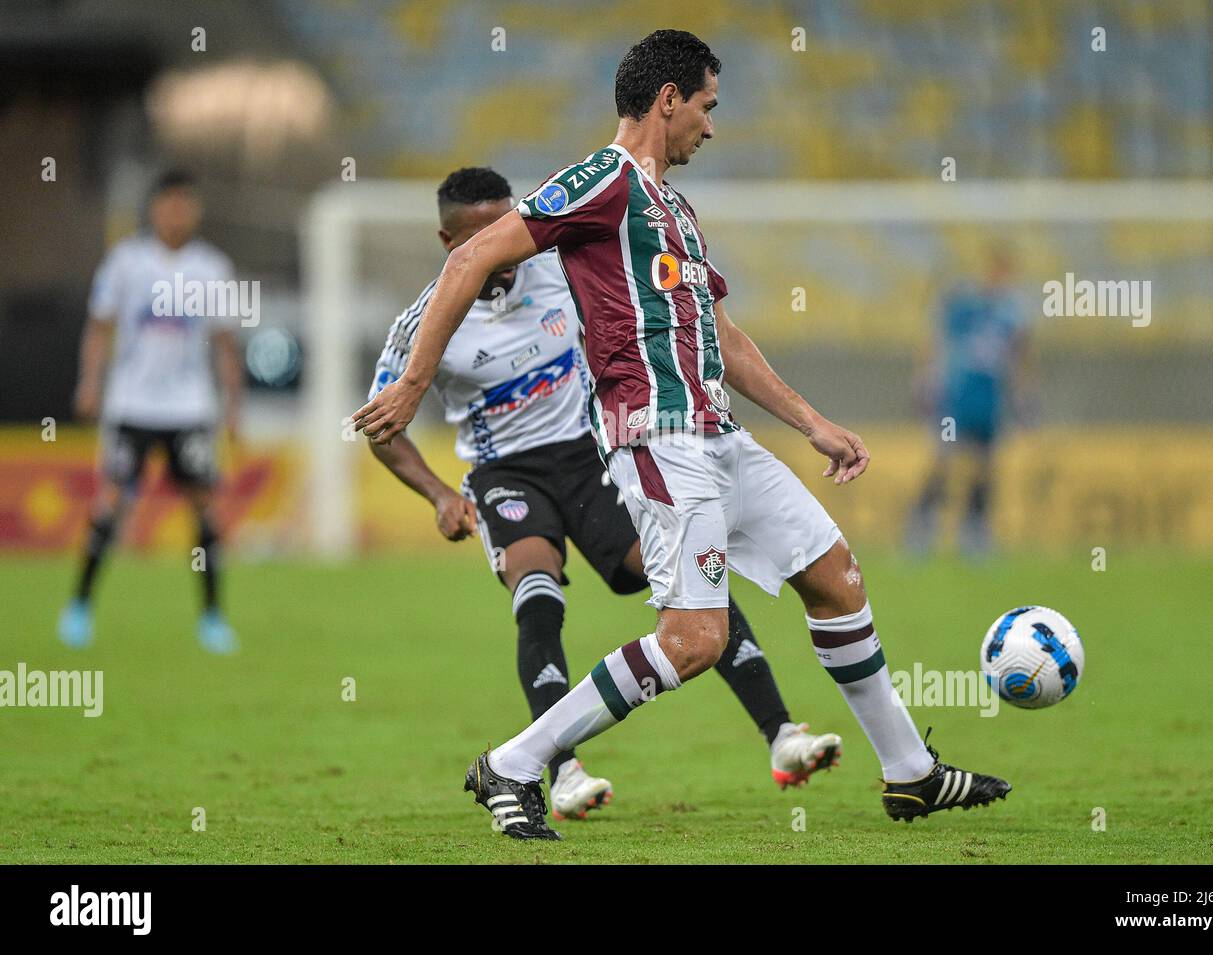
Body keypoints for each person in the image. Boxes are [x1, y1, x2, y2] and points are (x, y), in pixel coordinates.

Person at [353, 30, 1010, 840]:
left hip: (720, 437)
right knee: (696, 637)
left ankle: (911, 772)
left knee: (836, 579)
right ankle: (515, 764)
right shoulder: (602, 181)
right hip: (657, 437)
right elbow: (469, 261)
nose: (711, 125)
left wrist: (812, 422)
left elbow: (725, 341)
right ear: (669, 100)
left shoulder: (675, 210)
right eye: (707, 106)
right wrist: (416, 380)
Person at [367, 167, 843, 820]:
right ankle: (558, 770)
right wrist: (439, 495)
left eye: (506, 227)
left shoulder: (557, 272)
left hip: (594, 460)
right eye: (478, 237)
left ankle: (782, 735)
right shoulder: (423, 322)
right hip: (507, 475)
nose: (500, 250)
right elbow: (381, 427)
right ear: (447, 240)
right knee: (537, 596)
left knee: (691, 577)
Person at [59, 170, 242, 654]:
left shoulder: (211, 268)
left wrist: (233, 406)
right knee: (113, 502)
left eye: (185, 204)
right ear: (155, 208)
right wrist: (90, 382)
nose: (176, 213)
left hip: (190, 406)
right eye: (169, 204)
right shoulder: (127, 262)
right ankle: (79, 607)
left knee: (204, 507)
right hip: (132, 404)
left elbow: (226, 343)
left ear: (195, 210)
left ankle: (212, 618)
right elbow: (99, 327)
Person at [906, 245, 1033, 556]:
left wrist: (1024, 398)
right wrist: (925, 380)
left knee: (986, 465)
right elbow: (935, 340)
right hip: (956, 396)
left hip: (989, 400)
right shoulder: (964, 306)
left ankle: (974, 529)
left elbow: (1020, 359)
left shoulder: (1012, 316)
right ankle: (923, 524)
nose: (1000, 278)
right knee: (945, 458)